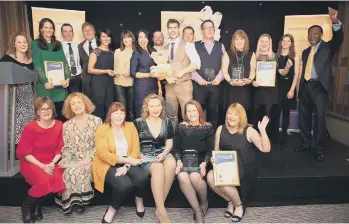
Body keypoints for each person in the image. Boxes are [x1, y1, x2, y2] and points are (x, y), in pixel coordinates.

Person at [207, 103, 271, 222]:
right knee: (210, 177)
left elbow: (265, 149)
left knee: (224, 181)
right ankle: (230, 201)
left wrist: (262, 131)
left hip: (244, 166)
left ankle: (239, 206)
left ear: (241, 117)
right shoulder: (221, 129)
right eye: (229, 114)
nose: (232, 117)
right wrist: (214, 159)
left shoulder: (249, 130)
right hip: (226, 166)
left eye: (236, 115)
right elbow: (216, 151)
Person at [296, 7, 343, 161]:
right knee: (304, 117)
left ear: (321, 35)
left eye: (315, 33)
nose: (312, 36)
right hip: (306, 86)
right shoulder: (305, 52)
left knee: (319, 119)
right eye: (310, 34)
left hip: (320, 87)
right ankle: (304, 143)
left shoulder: (328, 47)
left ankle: (317, 148)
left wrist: (335, 22)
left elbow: (338, 38)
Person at [93, 102, 148, 223]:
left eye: (122, 113)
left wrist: (127, 165)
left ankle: (139, 200)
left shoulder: (130, 126)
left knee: (142, 178)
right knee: (124, 185)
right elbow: (103, 154)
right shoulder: (102, 129)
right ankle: (112, 209)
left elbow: (135, 149)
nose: (119, 116)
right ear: (110, 115)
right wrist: (126, 160)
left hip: (128, 161)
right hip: (107, 162)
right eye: (115, 113)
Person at [16, 97, 65, 223]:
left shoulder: (59, 125)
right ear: (37, 112)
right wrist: (42, 166)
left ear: (53, 110)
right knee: (45, 181)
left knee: (58, 179)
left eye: (48, 108)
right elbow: (24, 152)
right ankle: (27, 206)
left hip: (51, 162)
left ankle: (37, 205)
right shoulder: (31, 127)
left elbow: (60, 148)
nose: (45, 111)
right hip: (31, 162)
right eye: (42, 109)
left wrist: (52, 163)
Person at [56, 93, 102, 214]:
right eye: (73, 104)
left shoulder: (96, 121)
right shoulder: (67, 125)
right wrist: (66, 159)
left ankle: (80, 201)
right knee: (67, 171)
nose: (76, 106)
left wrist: (90, 158)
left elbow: (101, 144)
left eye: (79, 102)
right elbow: (67, 147)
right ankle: (72, 202)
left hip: (92, 157)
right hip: (74, 157)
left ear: (85, 104)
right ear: (69, 108)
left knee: (80, 171)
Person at [134, 94, 176, 223]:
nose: (155, 108)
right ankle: (162, 213)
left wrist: (164, 153)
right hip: (145, 156)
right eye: (152, 106)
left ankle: (159, 207)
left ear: (162, 106)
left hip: (162, 152)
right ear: (146, 107)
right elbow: (133, 144)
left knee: (171, 164)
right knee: (158, 167)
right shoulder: (138, 122)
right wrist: (140, 155)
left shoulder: (167, 121)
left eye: (158, 105)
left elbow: (169, 143)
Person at [173, 100, 214, 223]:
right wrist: (178, 161)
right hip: (185, 160)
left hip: (201, 161)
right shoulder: (181, 126)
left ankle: (204, 202)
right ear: (185, 113)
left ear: (199, 111)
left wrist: (204, 163)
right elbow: (176, 148)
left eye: (194, 110)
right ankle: (197, 210)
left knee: (195, 177)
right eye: (188, 111)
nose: (191, 113)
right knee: (182, 176)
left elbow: (210, 149)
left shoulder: (208, 127)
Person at [163, 19, 201, 128]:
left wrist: (183, 71)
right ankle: (173, 143)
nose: (173, 30)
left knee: (188, 115)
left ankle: (188, 142)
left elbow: (197, 64)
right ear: (167, 30)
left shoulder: (187, 45)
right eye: (170, 28)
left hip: (184, 84)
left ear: (179, 29)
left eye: (175, 27)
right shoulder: (165, 48)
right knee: (170, 117)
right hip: (170, 86)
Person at [32, 18, 71, 122]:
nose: (48, 30)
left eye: (51, 27)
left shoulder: (58, 44)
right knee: (47, 117)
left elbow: (65, 63)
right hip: (46, 87)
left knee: (62, 118)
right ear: (41, 29)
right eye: (46, 27)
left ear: (53, 30)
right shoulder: (35, 44)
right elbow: (37, 64)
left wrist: (67, 78)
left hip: (60, 87)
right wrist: (45, 81)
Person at [0, 32, 35, 145]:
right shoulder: (6, 59)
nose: (22, 44)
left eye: (24, 42)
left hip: (28, 95)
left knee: (28, 121)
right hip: (12, 95)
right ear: (14, 44)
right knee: (15, 122)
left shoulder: (32, 59)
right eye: (19, 42)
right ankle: (14, 147)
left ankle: (26, 146)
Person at [191, 20, 225, 128]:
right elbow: (190, 65)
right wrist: (198, 79)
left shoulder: (221, 46)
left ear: (214, 30)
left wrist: (220, 78)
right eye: (207, 28)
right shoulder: (194, 46)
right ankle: (198, 137)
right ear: (202, 31)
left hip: (215, 85)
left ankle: (212, 139)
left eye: (211, 27)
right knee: (197, 113)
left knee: (214, 113)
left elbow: (225, 65)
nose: (210, 30)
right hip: (199, 86)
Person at [221, 30, 256, 124]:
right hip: (231, 89)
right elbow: (224, 70)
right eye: (237, 39)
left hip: (245, 89)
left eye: (242, 39)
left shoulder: (251, 54)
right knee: (230, 113)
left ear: (245, 41)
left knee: (243, 113)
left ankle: (243, 135)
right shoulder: (227, 54)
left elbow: (253, 71)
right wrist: (230, 81)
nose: (239, 41)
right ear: (233, 41)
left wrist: (249, 80)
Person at [275, 34, 300, 147]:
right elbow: (281, 73)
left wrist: (292, 90)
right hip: (277, 86)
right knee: (275, 113)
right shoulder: (276, 56)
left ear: (291, 43)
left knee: (286, 114)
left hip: (289, 86)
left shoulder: (295, 56)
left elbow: (296, 75)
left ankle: (283, 138)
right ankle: (274, 136)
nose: (285, 43)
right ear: (281, 42)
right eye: (283, 40)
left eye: (288, 41)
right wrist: (287, 67)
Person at [130, 29, 162, 118]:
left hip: (154, 87)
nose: (142, 39)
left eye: (145, 37)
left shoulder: (153, 51)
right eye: (140, 37)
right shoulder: (136, 53)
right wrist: (149, 75)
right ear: (137, 39)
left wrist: (159, 87)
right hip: (141, 88)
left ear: (148, 39)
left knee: (153, 111)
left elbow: (157, 69)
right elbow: (133, 73)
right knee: (142, 112)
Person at [252, 34, 278, 139]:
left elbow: (279, 73)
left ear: (270, 43)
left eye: (266, 41)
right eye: (262, 41)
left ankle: (265, 136)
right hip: (257, 89)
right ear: (259, 43)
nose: (264, 43)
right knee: (255, 111)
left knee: (268, 113)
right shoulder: (254, 55)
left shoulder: (274, 56)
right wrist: (252, 81)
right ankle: (254, 136)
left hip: (270, 90)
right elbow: (251, 72)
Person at [87, 28, 115, 121]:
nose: (106, 38)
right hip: (98, 83)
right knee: (98, 106)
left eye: (108, 36)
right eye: (103, 36)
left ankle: (107, 130)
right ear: (99, 38)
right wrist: (105, 71)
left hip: (110, 83)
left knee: (109, 107)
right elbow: (90, 70)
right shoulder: (96, 51)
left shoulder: (112, 52)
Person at [113, 30, 136, 121]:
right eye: (124, 38)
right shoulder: (117, 51)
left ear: (132, 39)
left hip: (132, 83)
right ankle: (121, 128)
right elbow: (114, 66)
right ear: (122, 40)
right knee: (121, 109)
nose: (127, 40)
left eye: (129, 37)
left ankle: (131, 129)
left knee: (131, 109)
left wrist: (131, 73)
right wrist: (115, 73)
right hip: (118, 83)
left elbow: (138, 68)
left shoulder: (136, 52)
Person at [61, 23, 82, 93]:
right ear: (62, 33)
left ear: (73, 33)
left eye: (70, 31)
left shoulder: (78, 46)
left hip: (77, 78)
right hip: (65, 78)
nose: (68, 33)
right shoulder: (58, 47)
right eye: (65, 31)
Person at [78, 22, 98, 99]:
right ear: (83, 33)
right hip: (87, 81)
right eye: (85, 31)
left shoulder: (102, 43)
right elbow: (80, 63)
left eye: (90, 30)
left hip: (101, 79)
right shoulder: (80, 46)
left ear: (94, 31)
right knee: (88, 103)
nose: (88, 32)